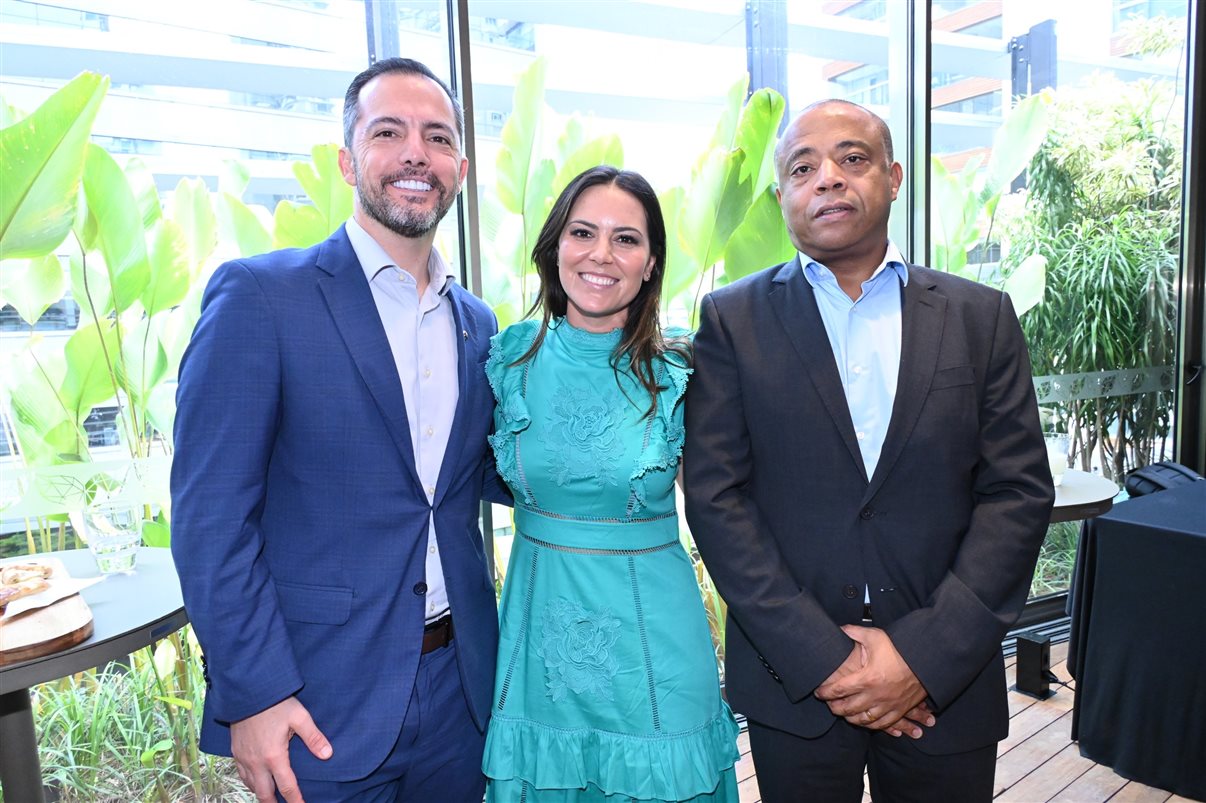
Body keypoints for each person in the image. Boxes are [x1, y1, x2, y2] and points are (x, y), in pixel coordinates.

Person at [683, 99, 1055, 802]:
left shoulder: (980, 318)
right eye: (803, 166)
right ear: (783, 194)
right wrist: (826, 660)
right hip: (795, 688)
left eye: (852, 159)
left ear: (893, 177)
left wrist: (923, 654)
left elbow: (1017, 492)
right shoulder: (733, 321)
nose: (828, 178)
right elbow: (716, 497)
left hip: (944, 686)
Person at [171, 57, 508, 802]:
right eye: (389, 132)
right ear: (348, 160)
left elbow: (493, 472)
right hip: (315, 701)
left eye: (437, 136)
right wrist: (253, 695)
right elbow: (210, 519)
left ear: (459, 165)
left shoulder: (478, 324)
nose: (416, 152)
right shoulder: (261, 296)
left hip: (462, 693)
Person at [481, 165, 739, 803]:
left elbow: (734, 504)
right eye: (582, 232)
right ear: (554, 247)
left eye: (626, 239)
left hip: (655, 633)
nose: (602, 254)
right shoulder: (505, 359)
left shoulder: (683, 369)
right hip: (539, 630)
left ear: (651, 262)